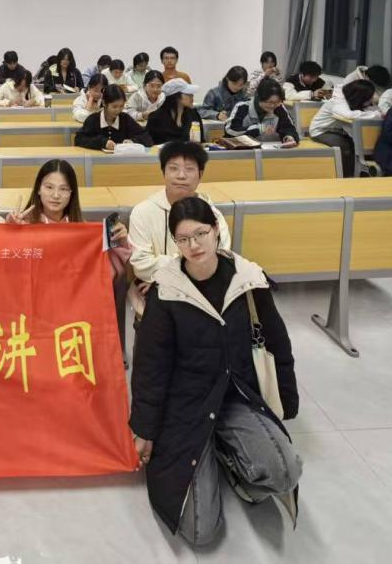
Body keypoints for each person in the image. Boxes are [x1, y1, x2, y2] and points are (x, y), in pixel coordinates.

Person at [131, 196, 302, 547]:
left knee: (284, 473)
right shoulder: (166, 291)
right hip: (185, 406)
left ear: (215, 231)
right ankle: (208, 450)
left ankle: (229, 456)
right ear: (175, 243)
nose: (193, 245)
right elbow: (150, 368)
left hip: (236, 395)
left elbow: (277, 342)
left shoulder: (248, 279)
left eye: (200, 234)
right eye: (183, 239)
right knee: (201, 532)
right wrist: (145, 430)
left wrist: (287, 400)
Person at [127, 141, 230, 284]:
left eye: (189, 169)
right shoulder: (143, 213)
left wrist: (164, 270)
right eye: (174, 168)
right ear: (163, 172)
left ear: (200, 174)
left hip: (202, 288)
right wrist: (193, 263)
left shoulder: (212, 214)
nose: (181, 176)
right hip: (158, 289)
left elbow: (219, 261)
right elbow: (141, 266)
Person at [307, 78, 378, 177]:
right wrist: (376, 114)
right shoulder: (338, 102)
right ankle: (344, 177)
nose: (372, 99)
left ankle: (355, 173)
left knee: (354, 144)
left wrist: (374, 113)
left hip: (337, 131)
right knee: (344, 146)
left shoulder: (351, 100)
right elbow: (349, 115)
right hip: (321, 131)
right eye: (370, 97)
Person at [75, 85, 154, 152]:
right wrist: (103, 142)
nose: (118, 110)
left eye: (121, 106)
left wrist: (133, 141)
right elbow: (79, 139)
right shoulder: (93, 120)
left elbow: (147, 138)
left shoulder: (125, 119)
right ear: (104, 103)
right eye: (114, 106)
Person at [223, 78, 299, 146]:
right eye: (269, 102)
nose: (273, 106)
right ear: (259, 98)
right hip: (242, 152)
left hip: (270, 151)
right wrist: (259, 128)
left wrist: (289, 137)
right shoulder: (242, 107)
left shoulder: (279, 108)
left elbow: (289, 128)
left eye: (277, 102)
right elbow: (230, 131)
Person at [146, 78, 205, 146]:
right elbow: (149, 145)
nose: (192, 96)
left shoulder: (194, 115)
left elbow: (201, 141)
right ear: (176, 96)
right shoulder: (156, 118)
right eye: (188, 94)